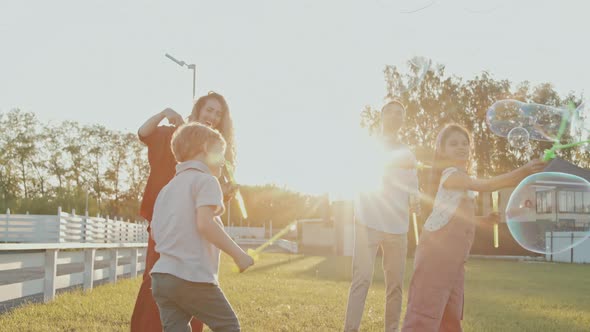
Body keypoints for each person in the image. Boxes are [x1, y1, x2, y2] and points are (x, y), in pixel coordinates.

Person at [402, 124, 546, 332]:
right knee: (425, 309)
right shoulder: (451, 175)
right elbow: (487, 185)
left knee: (451, 312)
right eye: (453, 144)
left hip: (455, 258)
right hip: (435, 255)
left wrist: (482, 220)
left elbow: (457, 216)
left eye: (465, 143)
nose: (461, 147)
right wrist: (522, 171)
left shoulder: (462, 180)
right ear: (442, 151)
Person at [131, 92, 237, 332]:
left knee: (196, 281)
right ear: (198, 110)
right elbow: (144, 133)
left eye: (218, 114)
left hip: (196, 226)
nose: (213, 116)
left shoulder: (216, 150)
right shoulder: (173, 135)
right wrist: (164, 113)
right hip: (167, 223)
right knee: (156, 279)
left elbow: (218, 193)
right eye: (209, 110)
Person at [150, 122, 254, 332]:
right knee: (228, 325)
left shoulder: (166, 190)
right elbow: (205, 223)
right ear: (206, 148)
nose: (223, 162)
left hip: (162, 277)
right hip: (191, 276)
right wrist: (238, 254)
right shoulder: (206, 181)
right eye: (220, 154)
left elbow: (154, 232)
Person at [344, 100, 419, 332]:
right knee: (362, 279)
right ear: (382, 116)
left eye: (401, 113)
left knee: (395, 286)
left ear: (403, 120)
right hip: (368, 222)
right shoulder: (369, 147)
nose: (396, 116)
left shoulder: (408, 154)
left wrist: (415, 200)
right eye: (391, 112)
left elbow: (413, 187)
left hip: (398, 227)